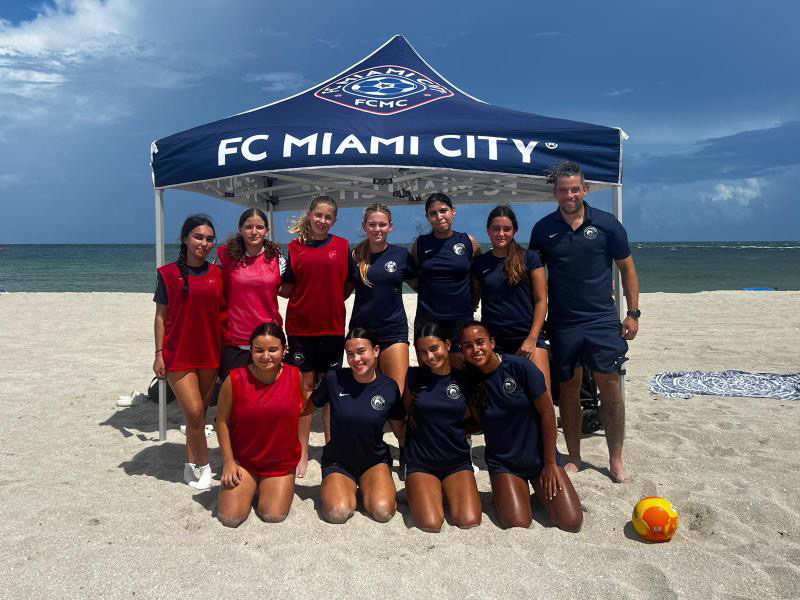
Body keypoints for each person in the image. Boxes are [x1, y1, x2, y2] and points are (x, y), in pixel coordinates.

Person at [529, 161, 640, 483]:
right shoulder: (544, 229)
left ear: (585, 190)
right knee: (569, 390)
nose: (569, 195)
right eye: (563, 190)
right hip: (563, 322)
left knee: (610, 387)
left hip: (602, 319)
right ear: (555, 193)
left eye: (575, 189)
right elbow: (534, 276)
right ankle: (575, 456)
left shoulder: (607, 224)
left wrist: (632, 312)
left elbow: (627, 269)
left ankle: (616, 459)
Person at [460, 321, 582, 531]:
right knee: (517, 523)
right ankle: (512, 493)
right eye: (468, 346)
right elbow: (475, 423)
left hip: (540, 459)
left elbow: (547, 414)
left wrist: (550, 463)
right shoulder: (469, 381)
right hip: (505, 464)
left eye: (480, 342)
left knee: (570, 522)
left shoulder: (519, 367)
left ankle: (533, 492)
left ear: (492, 342)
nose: (475, 350)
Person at [152, 214, 225, 491]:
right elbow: (161, 317)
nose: (204, 243)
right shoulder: (167, 274)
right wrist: (159, 353)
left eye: (209, 239)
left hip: (209, 352)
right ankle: (205, 468)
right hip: (178, 353)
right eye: (198, 237)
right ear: (185, 238)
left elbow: (223, 313)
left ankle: (188, 465)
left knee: (200, 414)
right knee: (194, 413)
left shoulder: (218, 275)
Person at [304, 328, 405, 524]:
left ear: (376, 351)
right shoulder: (334, 379)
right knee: (337, 513)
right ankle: (344, 487)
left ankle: (370, 487)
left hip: (374, 461)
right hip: (339, 462)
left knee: (383, 512)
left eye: (361, 351)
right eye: (350, 354)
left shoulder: (389, 387)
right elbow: (304, 409)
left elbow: (400, 430)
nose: (356, 359)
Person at [282, 196, 352, 478]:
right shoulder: (294, 248)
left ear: (334, 221)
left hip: (332, 329)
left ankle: (331, 448)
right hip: (300, 328)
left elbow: (348, 284)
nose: (322, 221)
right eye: (318, 215)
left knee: (331, 390)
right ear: (309, 215)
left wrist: (332, 300)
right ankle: (302, 451)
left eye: (328, 217)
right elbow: (285, 287)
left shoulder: (343, 246)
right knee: (305, 392)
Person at [349, 203, 418, 477]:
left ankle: (405, 446)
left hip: (394, 332)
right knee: (366, 394)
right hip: (361, 333)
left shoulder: (401, 255)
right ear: (364, 226)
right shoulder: (354, 256)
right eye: (372, 224)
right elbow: (337, 288)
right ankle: (373, 447)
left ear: (390, 227)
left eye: (382, 224)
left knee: (396, 394)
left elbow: (424, 285)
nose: (377, 229)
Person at [215, 323, 303, 527]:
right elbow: (221, 421)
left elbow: (303, 414)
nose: (266, 356)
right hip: (244, 461)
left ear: (284, 350)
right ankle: (252, 485)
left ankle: (266, 486)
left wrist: (303, 452)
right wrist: (228, 462)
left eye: (273, 350)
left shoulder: (295, 375)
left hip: (280, 463)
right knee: (230, 518)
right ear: (251, 350)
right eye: (259, 350)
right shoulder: (235, 378)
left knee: (272, 515)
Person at [403, 322, 481, 532]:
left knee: (469, 520)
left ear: (447, 345)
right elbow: (402, 414)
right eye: (423, 352)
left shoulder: (464, 379)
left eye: (434, 348)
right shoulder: (414, 378)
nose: (429, 357)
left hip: (456, 461)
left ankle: (446, 490)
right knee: (431, 524)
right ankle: (420, 488)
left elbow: (477, 420)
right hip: (422, 463)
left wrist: (455, 430)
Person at [472, 205, 551, 401]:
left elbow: (542, 301)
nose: (501, 233)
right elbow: (473, 302)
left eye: (506, 229)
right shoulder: (479, 264)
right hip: (495, 342)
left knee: (542, 399)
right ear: (488, 230)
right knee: (501, 400)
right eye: (496, 228)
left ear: (514, 230)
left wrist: (532, 340)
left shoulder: (530, 258)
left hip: (528, 338)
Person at [411, 193, 480, 367]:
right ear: (428, 217)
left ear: (453, 212)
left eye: (443, 211)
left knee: (461, 374)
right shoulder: (420, 244)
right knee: (429, 373)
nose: (439, 217)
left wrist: (474, 302)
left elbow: (477, 278)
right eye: (433, 213)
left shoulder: (469, 242)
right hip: (428, 318)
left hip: (461, 319)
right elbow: (413, 276)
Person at [216, 208, 284, 381]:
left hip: (268, 339)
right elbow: (211, 290)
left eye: (260, 227)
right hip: (234, 340)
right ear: (240, 229)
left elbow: (293, 289)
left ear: (267, 231)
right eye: (248, 227)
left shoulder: (278, 259)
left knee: (265, 396)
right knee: (236, 397)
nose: (254, 232)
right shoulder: (224, 257)